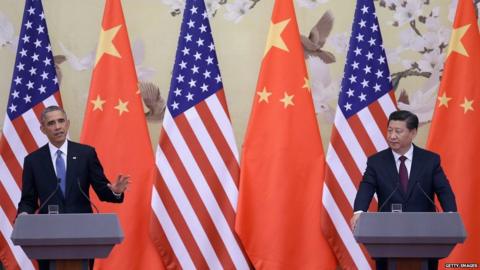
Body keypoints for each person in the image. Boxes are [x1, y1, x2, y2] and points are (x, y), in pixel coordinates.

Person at [17, 105, 129, 269]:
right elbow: (28, 199)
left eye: (61, 121)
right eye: (51, 123)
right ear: (43, 129)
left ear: (67, 124)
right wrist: (24, 214)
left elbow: (102, 191)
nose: (57, 127)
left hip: (82, 235)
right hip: (47, 235)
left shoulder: (86, 154)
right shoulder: (33, 161)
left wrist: (115, 192)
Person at [351, 110, 457, 270]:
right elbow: (366, 187)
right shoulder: (376, 162)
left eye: (398, 131)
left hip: (425, 234)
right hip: (387, 236)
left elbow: (443, 190)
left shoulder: (430, 160)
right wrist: (359, 211)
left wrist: (451, 215)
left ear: (413, 132)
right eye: (390, 130)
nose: (392, 136)